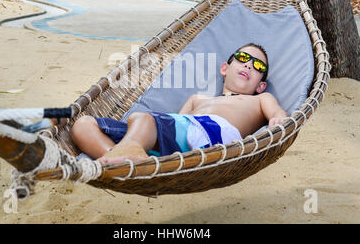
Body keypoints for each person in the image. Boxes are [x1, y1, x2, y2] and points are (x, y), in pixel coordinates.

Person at [71, 43, 288, 163]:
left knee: (142, 118)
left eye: (258, 66)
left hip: (211, 140)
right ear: (225, 68)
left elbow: (279, 115)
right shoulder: (198, 99)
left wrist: (280, 120)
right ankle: (121, 159)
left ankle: (123, 154)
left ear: (261, 85)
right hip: (172, 145)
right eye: (242, 58)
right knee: (83, 125)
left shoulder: (261, 99)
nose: (249, 65)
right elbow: (173, 123)